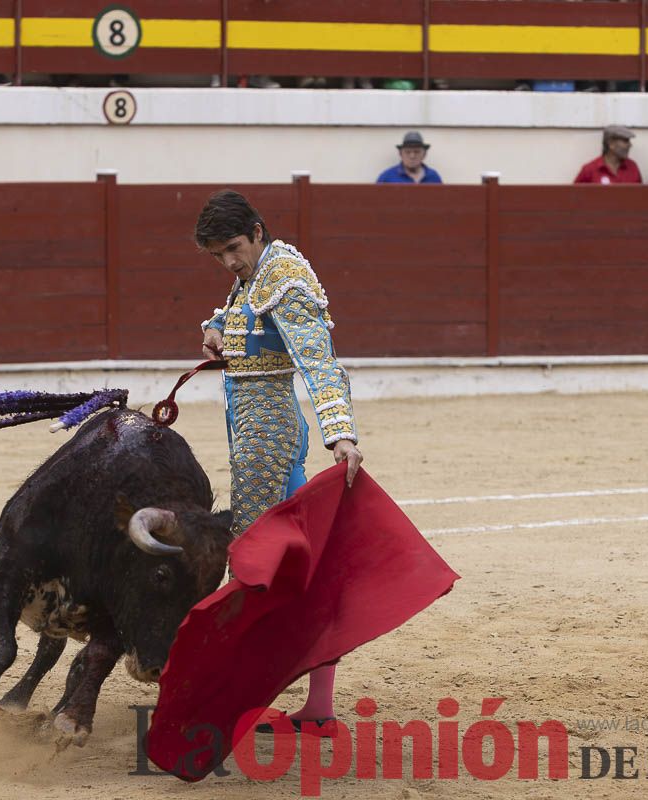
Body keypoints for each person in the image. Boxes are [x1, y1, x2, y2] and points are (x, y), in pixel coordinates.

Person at [195, 189, 363, 733]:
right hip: (253, 423)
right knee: (297, 562)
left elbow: (320, 362)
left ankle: (240, 693)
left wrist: (339, 434)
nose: (228, 262)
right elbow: (239, 316)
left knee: (254, 559)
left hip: (268, 430)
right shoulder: (256, 274)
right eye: (218, 254)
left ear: (259, 232)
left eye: (234, 249)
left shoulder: (284, 278)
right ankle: (316, 705)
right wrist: (216, 329)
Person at [573, 125, 642, 184]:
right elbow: (574, 196)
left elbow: (641, 196)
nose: (630, 145)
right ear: (611, 144)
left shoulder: (632, 167)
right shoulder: (590, 170)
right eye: (625, 141)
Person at [376, 131, 443, 184]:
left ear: (424, 154)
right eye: (407, 152)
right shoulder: (387, 177)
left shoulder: (433, 177)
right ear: (400, 154)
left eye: (417, 152)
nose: (412, 156)